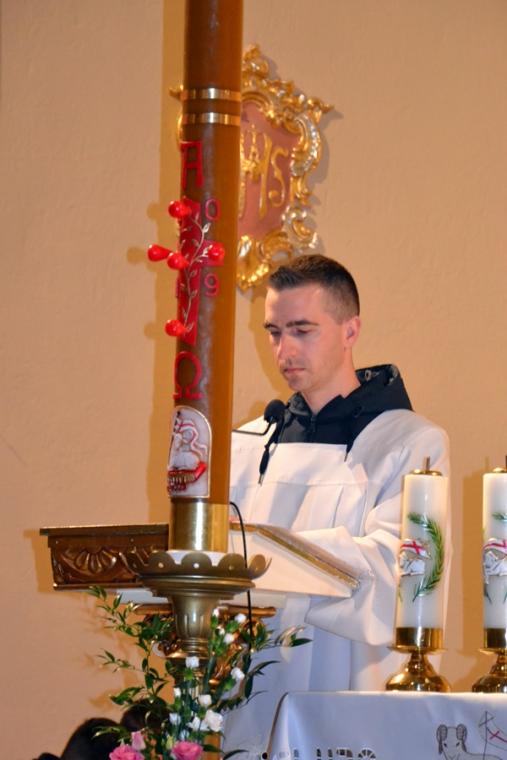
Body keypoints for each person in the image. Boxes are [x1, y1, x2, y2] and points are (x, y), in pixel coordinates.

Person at [224, 254, 450, 759]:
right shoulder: (246, 446)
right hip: (251, 699)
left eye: (302, 330)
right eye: (274, 332)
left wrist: (266, 558)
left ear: (351, 330)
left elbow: (397, 571)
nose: (284, 350)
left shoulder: (408, 442)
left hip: (349, 692)